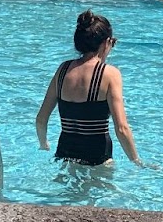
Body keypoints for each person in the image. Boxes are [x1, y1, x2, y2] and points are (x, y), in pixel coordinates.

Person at [35, 11, 143, 168]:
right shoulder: (109, 74)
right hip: (98, 161)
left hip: (64, 158)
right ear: (106, 42)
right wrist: (137, 162)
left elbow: (41, 119)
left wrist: (44, 145)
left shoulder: (63, 70)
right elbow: (122, 128)